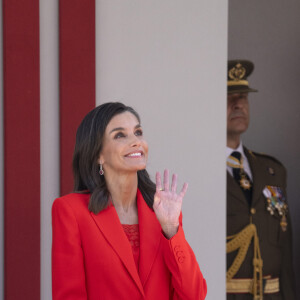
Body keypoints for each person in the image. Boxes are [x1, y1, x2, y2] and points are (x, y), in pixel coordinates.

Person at [52, 102, 207, 300]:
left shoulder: (161, 212)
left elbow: (194, 295)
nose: (136, 142)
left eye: (138, 132)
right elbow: (69, 295)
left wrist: (171, 229)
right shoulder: (71, 211)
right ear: (98, 154)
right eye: (120, 135)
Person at [226, 59, 296, 300]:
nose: (238, 105)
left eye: (242, 97)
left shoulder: (272, 170)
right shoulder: (203, 172)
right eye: (229, 98)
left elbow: (284, 250)